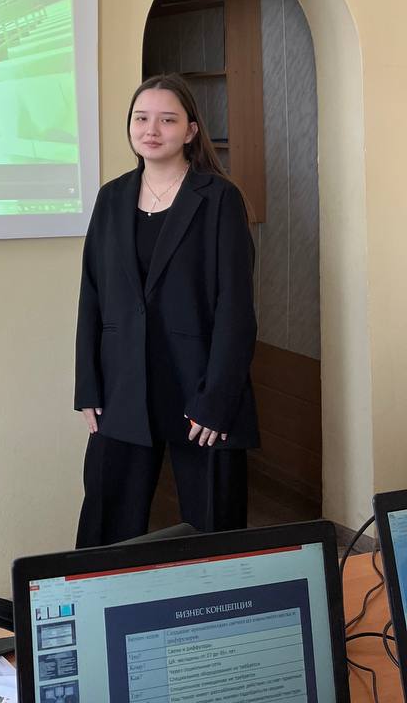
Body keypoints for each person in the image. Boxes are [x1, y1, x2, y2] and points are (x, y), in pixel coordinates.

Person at [74, 73, 259, 547]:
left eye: (167, 120)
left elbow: (236, 310)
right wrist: (88, 385)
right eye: (141, 118)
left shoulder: (219, 198)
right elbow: (92, 294)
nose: (151, 130)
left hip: (200, 389)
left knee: (214, 530)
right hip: (121, 388)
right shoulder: (111, 197)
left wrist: (218, 400)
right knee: (105, 527)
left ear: (191, 130)